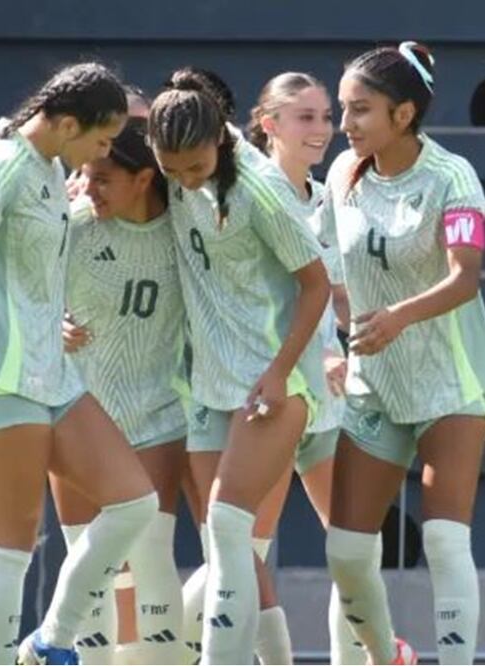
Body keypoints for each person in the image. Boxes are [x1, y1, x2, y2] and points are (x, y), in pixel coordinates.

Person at [0, 61, 158, 666]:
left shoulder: (46, 165)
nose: (106, 150)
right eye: (102, 136)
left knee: (134, 502)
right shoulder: (2, 167)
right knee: (9, 549)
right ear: (66, 123)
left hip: (53, 377)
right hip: (1, 378)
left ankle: (49, 642)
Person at [147, 67, 330, 664]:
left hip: (271, 386)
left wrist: (279, 373)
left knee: (228, 527)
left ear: (221, 143)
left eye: (194, 169)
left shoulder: (262, 190)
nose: (181, 181)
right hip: (206, 386)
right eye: (170, 170)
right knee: (229, 544)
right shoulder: (171, 167)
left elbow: (316, 286)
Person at [322, 42, 485, 666]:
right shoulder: (342, 175)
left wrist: (396, 318)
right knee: (344, 551)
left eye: (359, 110)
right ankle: (382, 655)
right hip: (374, 387)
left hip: (450, 383)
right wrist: (333, 339)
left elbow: (465, 277)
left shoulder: (454, 178)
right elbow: (330, 275)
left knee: (445, 542)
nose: (343, 125)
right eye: (341, 108)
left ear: (403, 113)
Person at [247, 70, 369, 665]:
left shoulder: (324, 199)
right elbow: (250, 302)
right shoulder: (252, 196)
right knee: (246, 549)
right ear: (269, 124)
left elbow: (337, 298)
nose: (322, 129)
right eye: (305, 116)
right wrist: (308, 354)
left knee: (352, 547)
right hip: (269, 398)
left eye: (326, 116)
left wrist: (371, 335)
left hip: (327, 399)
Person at [60, 116, 189, 665]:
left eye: (102, 178)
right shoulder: (71, 225)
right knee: (86, 563)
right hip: (76, 413)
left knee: (153, 556)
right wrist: (50, 324)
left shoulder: (188, 230)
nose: (88, 188)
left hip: (156, 413)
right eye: (84, 176)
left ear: (144, 178)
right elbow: (17, 290)